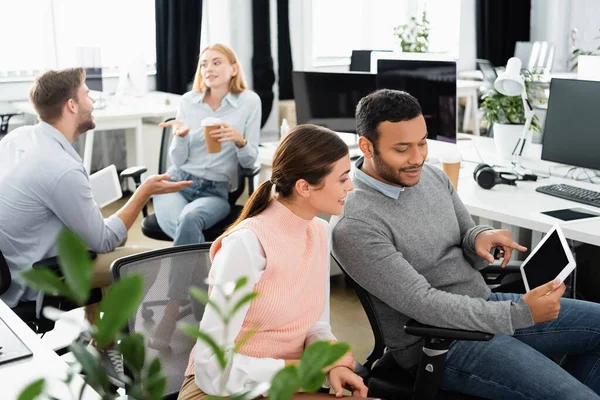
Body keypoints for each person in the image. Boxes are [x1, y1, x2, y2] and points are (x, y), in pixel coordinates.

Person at [331, 88, 600, 399]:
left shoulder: (431, 177)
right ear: (367, 146)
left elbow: (466, 234)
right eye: (402, 149)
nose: (417, 158)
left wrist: (481, 237)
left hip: (483, 305)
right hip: (440, 344)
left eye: (422, 143)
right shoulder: (355, 224)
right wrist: (520, 315)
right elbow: (424, 304)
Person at [0, 67, 191, 383]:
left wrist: (82, 200)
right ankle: (106, 349)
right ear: (71, 106)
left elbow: (39, 198)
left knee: (101, 252)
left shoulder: (20, 138)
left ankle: (99, 342)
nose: (92, 100)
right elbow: (105, 240)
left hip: (14, 258)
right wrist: (143, 193)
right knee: (140, 261)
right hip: (37, 276)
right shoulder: (61, 168)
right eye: (87, 93)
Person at [178, 125, 367, 400]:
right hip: (220, 389)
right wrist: (303, 369)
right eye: (342, 179)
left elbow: (315, 325)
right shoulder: (247, 245)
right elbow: (212, 368)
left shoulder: (318, 232)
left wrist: (334, 363)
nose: (350, 186)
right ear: (304, 187)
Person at [153, 43, 261, 246]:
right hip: (176, 182)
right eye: (203, 65)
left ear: (234, 69)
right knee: (185, 226)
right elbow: (177, 160)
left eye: (216, 62)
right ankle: (202, 274)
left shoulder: (250, 102)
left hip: (215, 191)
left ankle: (185, 276)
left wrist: (240, 141)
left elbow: (249, 162)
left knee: (189, 219)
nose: (208, 69)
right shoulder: (188, 101)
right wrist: (181, 137)